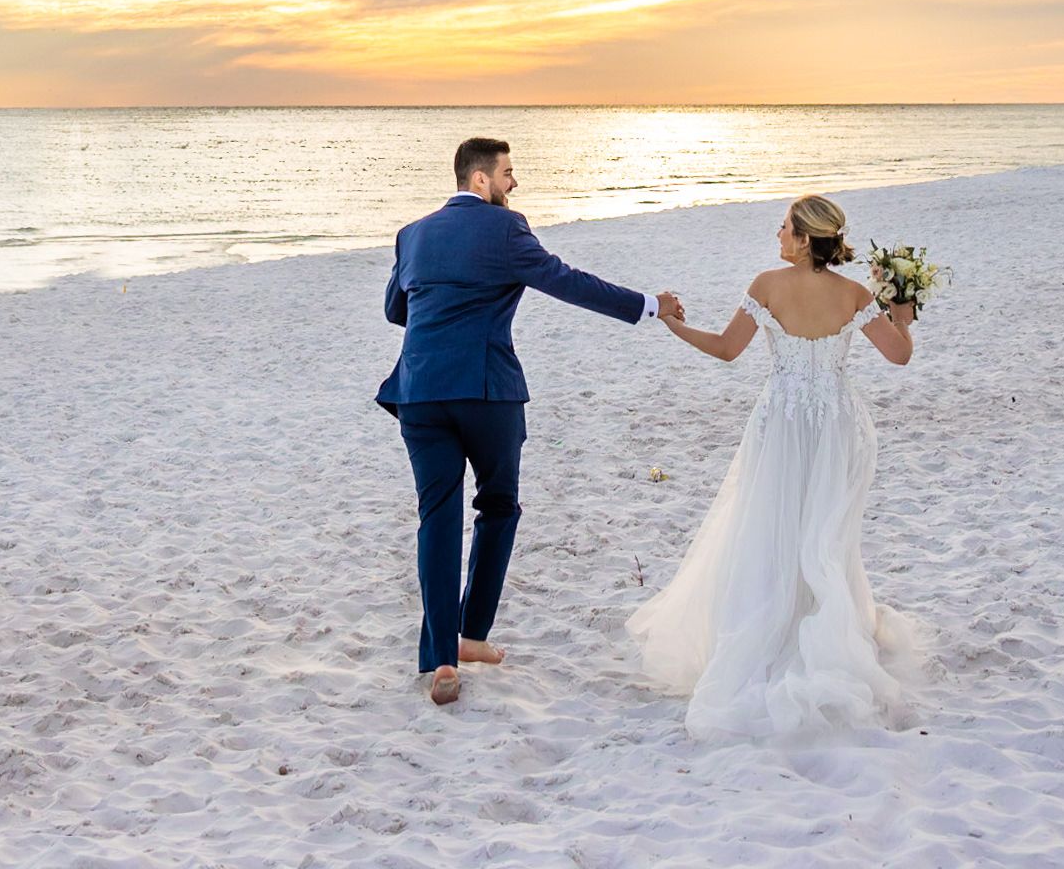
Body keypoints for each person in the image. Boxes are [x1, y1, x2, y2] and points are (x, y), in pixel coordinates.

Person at [378, 136, 683, 705]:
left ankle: (442, 658)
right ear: (479, 181)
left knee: (437, 516)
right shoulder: (506, 229)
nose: (514, 183)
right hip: (487, 391)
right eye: (508, 173)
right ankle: (473, 634)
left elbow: (397, 308)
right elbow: (566, 281)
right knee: (498, 505)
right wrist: (649, 305)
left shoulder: (412, 234)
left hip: (418, 391)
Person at [628, 192, 915, 739]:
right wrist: (902, 317)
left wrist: (672, 326)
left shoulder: (766, 286)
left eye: (784, 227)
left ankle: (770, 631)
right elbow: (899, 355)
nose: (777, 235)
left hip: (782, 421)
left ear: (806, 238)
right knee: (827, 532)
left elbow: (725, 349)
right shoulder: (855, 294)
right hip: (835, 423)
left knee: (770, 524)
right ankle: (831, 630)